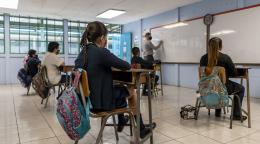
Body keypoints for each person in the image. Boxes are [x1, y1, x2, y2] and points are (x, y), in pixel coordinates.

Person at [75, 21, 155, 138]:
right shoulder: (101, 52)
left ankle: (122, 119)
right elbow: (126, 65)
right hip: (100, 103)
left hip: (87, 102)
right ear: (102, 37)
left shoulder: (83, 52)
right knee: (131, 91)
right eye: (106, 38)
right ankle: (141, 129)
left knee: (118, 87)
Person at [200, 37, 246, 121]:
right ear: (220, 46)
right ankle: (236, 115)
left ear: (208, 46)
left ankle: (218, 111)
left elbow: (203, 75)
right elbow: (233, 73)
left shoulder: (203, 58)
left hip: (206, 89)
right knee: (241, 88)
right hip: (222, 89)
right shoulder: (225, 58)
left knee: (216, 85)